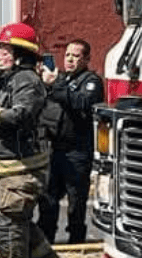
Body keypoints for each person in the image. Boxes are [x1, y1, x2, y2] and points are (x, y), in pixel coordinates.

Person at [0, 22, 66, 258]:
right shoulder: (10, 80)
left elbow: (18, 117)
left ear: (19, 54)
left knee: (6, 225)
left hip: (21, 169)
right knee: (19, 221)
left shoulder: (26, 80)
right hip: (8, 168)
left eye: (4, 50)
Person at [36, 39, 105, 244]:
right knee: (48, 197)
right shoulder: (61, 79)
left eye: (76, 56)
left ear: (86, 59)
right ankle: (45, 239)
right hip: (55, 148)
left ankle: (76, 240)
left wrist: (55, 84)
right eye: (67, 55)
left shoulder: (91, 81)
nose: (70, 60)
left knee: (76, 200)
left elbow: (81, 102)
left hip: (77, 151)